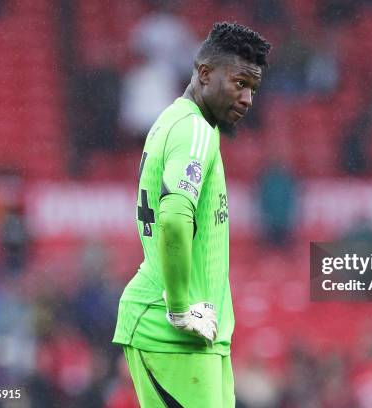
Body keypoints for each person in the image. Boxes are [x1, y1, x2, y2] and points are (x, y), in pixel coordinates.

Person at [112, 22, 271, 407]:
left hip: (198, 335)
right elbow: (173, 218)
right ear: (204, 74)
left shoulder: (174, 122)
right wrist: (180, 309)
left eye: (252, 88)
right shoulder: (194, 130)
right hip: (175, 332)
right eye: (239, 83)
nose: (247, 98)